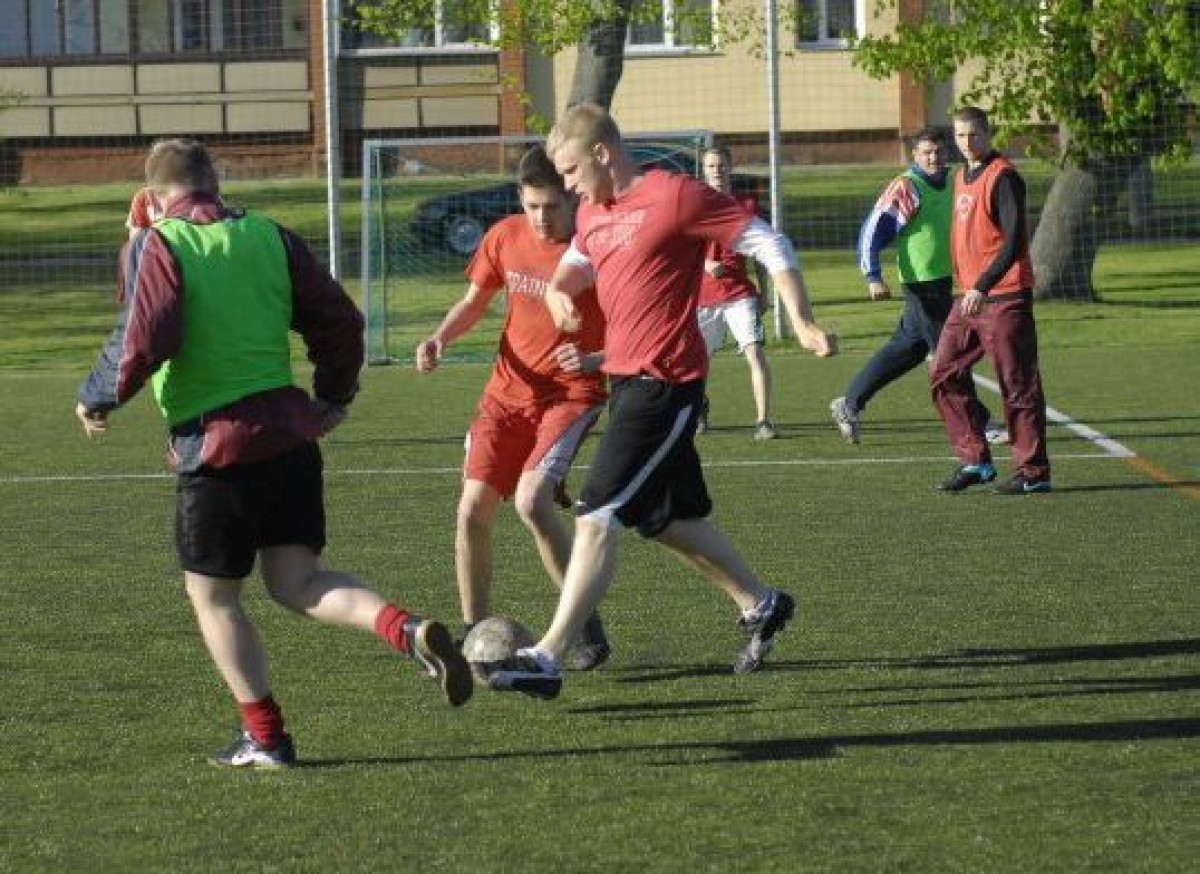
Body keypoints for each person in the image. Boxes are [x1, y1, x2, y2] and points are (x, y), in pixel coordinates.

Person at [75, 138, 472, 770]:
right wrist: (334, 395)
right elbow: (340, 321)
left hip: (217, 447)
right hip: (289, 439)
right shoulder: (269, 235)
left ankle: (266, 738)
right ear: (215, 183)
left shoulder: (159, 242)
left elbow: (145, 332)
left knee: (214, 599)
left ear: (151, 196)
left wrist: (97, 395)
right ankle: (405, 628)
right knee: (299, 582)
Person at [488, 104, 838, 699]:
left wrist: (801, 321)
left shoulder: (676, 197)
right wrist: (559, 296)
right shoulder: (593, 211)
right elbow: (573, 265)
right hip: (625, 384)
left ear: (602, 153)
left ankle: (547, 656)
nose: (567, 187)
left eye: (570, 171)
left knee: (597, 512)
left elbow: (769, 242)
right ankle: (761, 603)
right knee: (664, 519)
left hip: (667, 384)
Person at [415, 145, 612, 670]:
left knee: (531, 502)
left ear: (573, 199)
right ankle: (471, 634)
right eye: (531, 206)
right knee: (471, 510)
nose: (541, 218)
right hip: (505, 395)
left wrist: (594, 358)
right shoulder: (504, 235)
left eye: (551, 207)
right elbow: (474, 303)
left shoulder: (596, 248)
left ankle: (582, 627)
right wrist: (439, 338)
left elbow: (636, 329)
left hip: (571, 395)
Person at [831, 127, 1006, 447]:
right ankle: (981, 422)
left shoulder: (955, 179)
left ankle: (850, 401)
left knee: (909, 349)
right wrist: (873, 276)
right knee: (952, 355)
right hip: (922, 285)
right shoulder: (907, 186)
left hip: (948, 281)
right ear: (914, 155)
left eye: (938, 151)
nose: (933, 158)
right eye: (926, 153)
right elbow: (872, 231)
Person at [932, 107, 1051, 494]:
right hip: (969, 298)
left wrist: (981, 286)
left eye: (974, 135)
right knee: (944, 372)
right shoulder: (960, 176)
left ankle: (1033, 473)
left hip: (1003, 296)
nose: (967, 142)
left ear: (988, 134)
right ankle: (975, 461)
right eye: (960, 135)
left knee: (1017, 384)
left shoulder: (1004, 177)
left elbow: (1014, 241)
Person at [695, 145, 779, 441]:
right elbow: (680, 250)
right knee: (698, 362)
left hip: (740, 294)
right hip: (703, 296)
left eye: (721, 165)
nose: (717, 170)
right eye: (711, 166)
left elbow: (761, 252)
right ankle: (699, 409)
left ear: (730, 167)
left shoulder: (747, 206)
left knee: (755, 353)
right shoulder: (693, 205)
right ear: (704, 170)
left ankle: (763, 421)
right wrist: (706, 265)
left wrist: (765, 292)